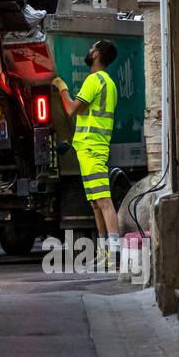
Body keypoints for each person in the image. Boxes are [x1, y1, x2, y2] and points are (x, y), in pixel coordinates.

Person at [52, 40, 119, 270]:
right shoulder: (108, 82)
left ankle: (114, 252)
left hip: (92, 147)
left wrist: (62, 88)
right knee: (95, 204)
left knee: (103, 201)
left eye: (92, 48)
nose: (89, 51)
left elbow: (71, 109)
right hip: (90, 147)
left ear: (97, 54)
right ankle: (104, 251)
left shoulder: (94, 80)